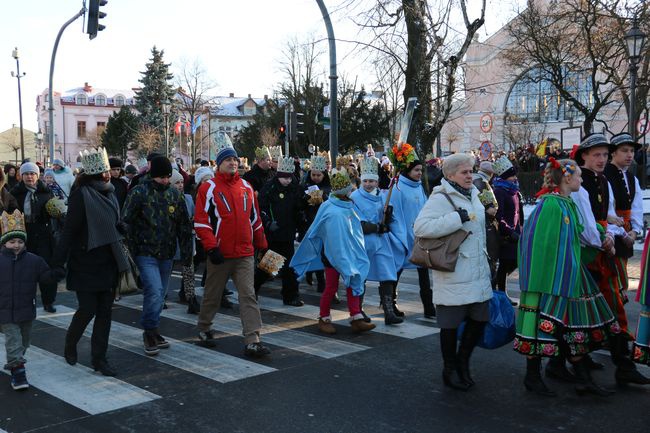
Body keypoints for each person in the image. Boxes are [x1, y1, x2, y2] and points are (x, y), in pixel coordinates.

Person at [515, 158, 618, 396]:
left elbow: (575, 236)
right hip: (549, 279)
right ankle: (532, 377)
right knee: (542, 327)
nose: (582, 180)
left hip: (565, 273)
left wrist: (600, 236)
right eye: (579, 176)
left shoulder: (564, 203)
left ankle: (581, 378)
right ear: (567, 178)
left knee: (570, 327)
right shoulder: (551, 206)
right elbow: (539, 245)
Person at [570, 133, 650, 386]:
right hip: (583, 256)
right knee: (582, 311)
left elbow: (610, 215)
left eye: (605, 154)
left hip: (602, 253)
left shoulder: (602, 180)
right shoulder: (577, 183)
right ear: (584, 156)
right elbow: (580, 221)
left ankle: (620, 364)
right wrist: (604, 236)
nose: (602, 159)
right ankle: (572, 366)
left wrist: (615, 233)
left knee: (610, 306)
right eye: (597, 154)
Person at [413, 153, 492, 391]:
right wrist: (456, 218)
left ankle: (463, 362)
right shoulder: (441, 197)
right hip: (454, 269)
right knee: (450, 324)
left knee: (480, 319)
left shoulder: (475, 193)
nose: (470, 175)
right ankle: (450, 368)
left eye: (471, 171)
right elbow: (421, 227)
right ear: (450, 175)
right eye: (464, 172)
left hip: (477, 268)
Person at [53, 148, 129, 377]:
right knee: (87, 310)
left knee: (105, 312)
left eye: (109, 170)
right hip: (85, 260)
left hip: (108, 259)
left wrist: (122, 227)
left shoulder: (111, 192)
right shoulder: (81, 194)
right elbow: (69, 230)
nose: (109, 173)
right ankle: (70, 342)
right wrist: (58, 262)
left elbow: (114, 221)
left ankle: (99, 359)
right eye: (105, 170)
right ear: (95, 172)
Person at [193, 141, 272, 357]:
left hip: (245, 253)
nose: (233, 163)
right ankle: (204, 327)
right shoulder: (208, 188)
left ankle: (253, 339)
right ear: (219, 164)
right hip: (220, 254)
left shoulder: (246, 188)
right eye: (228, 160)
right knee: (213, 294)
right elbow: (201, 221)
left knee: (248, 295)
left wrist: (262, 245)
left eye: (235, 159)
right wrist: (211, 247)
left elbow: (255, 219)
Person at [122, 155, 193, 356]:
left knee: (160, 294)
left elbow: (183, 226)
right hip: (145, 252)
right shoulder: (139, 192)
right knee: (153, 290)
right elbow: (126, 219)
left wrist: (187, 254)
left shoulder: (174, 195)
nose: (164, 180)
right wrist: (131, 243)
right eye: (161, 177)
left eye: (167, 177)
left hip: (167, 252)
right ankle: (149, 331)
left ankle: (154, 329)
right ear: (153, 176)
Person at [291, 170, 376, 334]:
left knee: (353, 282)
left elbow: (354, 230)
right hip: (331, 256)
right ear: (343, 191)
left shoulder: (349, 205)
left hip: (349, 254)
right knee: (330, 287)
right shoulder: (329, 207)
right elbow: (323, 232)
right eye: (348, 189)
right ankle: (324, 318)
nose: (351, 191)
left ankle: (356, 317)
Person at [0, 210, 62, 390]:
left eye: (20, 241)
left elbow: (45, 277)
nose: (16, 245)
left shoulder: (34, 260)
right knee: (14, 341)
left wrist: (55, 274)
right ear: (4, 243)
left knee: (24, 341)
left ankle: (15, 362)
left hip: (26, 309)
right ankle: (18, 373)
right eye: (12, 242)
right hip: (4, 311)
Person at [351, 154, 402, 325]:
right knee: (361, 276)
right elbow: (355, 221)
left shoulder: (384, 196)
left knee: (387, 274)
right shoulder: (355, 198)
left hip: (382, 242)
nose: (368, 184)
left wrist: (387, 216)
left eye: (371, 181)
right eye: (365, 181)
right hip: (363, 242)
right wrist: (374, 227)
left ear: (377, 181)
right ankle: (358, 311)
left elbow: (389, 220)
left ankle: (388, 310)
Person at [255, 156, 304, 306]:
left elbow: (298, 208)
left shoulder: (295, 188)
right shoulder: (270, 188)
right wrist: (268, 222)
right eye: (284, 178)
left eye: (289, 178)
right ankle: (252, 288)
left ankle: (290, 296)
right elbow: (261, 207)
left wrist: (301, 225)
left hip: (288, 233)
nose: (287, 181)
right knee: (270, 267)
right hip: (274, 234)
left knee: (290, 267)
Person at [389, 158, 435, 318]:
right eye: (416, 170)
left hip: (420, 236)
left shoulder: (419, 187)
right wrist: (402, 234)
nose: (420, 173)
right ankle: (390, 304)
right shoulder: (398, 188)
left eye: (421, 170)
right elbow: (394, 212)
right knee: (397, 271)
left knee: (424, 272)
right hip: (403, 236)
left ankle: (429, 306)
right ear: (408, 171)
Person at [11, 162, 57, 313]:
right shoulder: (15, 193)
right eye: (26, 174)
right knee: (23, 272)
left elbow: (55, 211)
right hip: (24, 236)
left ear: (38, 176)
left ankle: (48, 301)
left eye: (32, 174)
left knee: (46, 270)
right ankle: (25, 302)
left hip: (44, 235)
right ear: (21, 176)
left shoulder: (46, 191)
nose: (29, 177)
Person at [603, 133, 643, 294]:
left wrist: (635, 230)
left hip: (626, 233)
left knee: (620, 282)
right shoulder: (605, 174)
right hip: (609, 234)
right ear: (613, 153)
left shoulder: (632, 178)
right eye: (624, 151)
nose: (629, 155)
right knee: (612, 282)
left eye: (632, 151)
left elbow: (636, 207)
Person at [492, 156, 524, 304]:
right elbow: (499, 215)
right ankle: (500, 293)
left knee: (513, 262)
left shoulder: (514, 191)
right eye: (511, 175)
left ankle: (498, 290)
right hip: (506, 235)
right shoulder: (499, 191)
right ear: (505, 176)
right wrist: (509, 231)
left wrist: (521, 227)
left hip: (516, 233)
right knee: (505, 264)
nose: (515, 178)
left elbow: (519, 212)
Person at [299, 154, 332, 295]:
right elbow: (299, 204)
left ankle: (321, 280)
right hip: (308, 223)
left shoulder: (329, 187)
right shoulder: (304, 185)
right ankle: (309, 273)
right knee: (310, 251)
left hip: (323, 224)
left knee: (322, 252)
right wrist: (306, 198)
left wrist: (323, 197)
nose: (316, 177)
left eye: (319, 175)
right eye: (314, 174)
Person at [170, 169, 200, 314]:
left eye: (182, 182)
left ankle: (191, 298)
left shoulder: (188, 198)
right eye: (177, 183)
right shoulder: (167, 198)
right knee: (167, 269)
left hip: (187, 239)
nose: (180, 185)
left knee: (189, 271)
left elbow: (195, 215)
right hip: (172, 240)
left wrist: (193, 223)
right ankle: (161, 297)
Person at [472, 161, 499, 288]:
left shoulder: (472, 179)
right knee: (489, 265)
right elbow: (491, 210)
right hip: (486, 227)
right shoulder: (482, 183)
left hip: (475, 227)